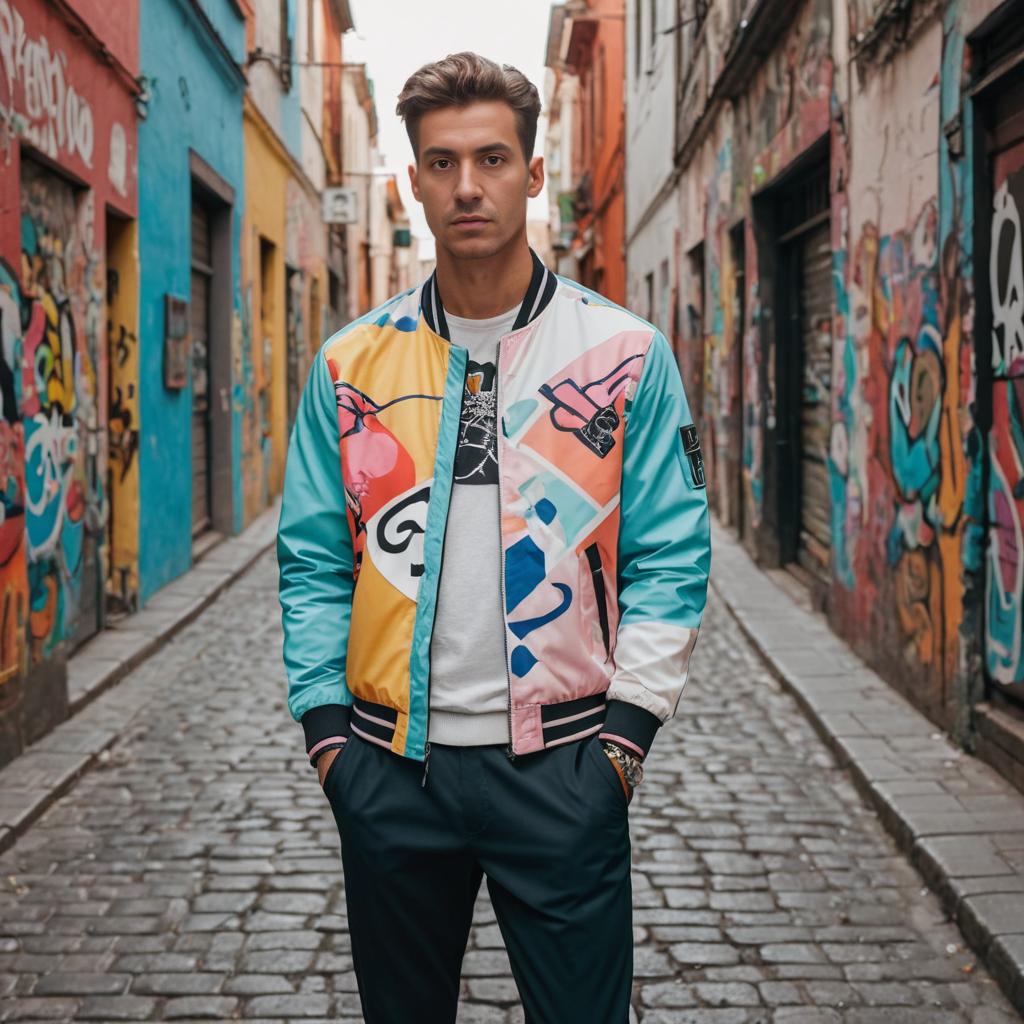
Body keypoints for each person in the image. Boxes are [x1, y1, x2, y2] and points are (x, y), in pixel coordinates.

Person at [277, 51, 711, 1024]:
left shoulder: (622, 356)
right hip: (390, 773)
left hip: (562, 773)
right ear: (411, 182)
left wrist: (621, 748)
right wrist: (328, 742)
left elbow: (673, 557)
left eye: (491, 158)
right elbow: (310, 559)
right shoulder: (350, 365)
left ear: (533, 171)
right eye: (441, 163)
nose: (467, 185)